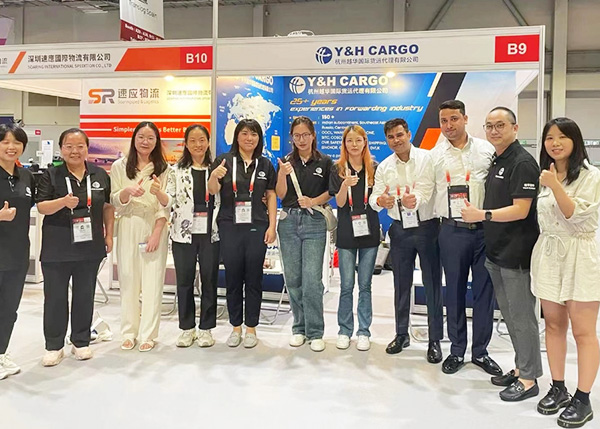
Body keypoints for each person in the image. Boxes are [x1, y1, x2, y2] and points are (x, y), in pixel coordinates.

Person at [462, 106, 542, 402]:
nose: (494, 131)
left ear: (514, 128)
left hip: (516, 254)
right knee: (509, 316)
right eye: (489, 126)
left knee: (522, 318)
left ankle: (529, 379)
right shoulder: (498, 159)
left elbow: (521, 210)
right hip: (497, 253)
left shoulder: (522, 162)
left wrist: (482, 214)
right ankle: (521, 368)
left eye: (500, 125)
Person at [531, 118, 600, 427]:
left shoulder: (591, 176)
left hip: (580, 256)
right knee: (554, 326)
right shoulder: (545, 175)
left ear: (576, 141)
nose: (555, 143)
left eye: (562, 137)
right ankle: (558, 387)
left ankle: (583, 398)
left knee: (583, 331)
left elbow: (574, 214)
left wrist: (555, 185)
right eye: (549, 138)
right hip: (550, 254)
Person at [430, 100, 502, 375]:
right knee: (455, 292)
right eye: (444, 120)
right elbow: (426, 191)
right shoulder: (434, 156)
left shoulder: (487, 150)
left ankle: (480, 352)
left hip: (485, 231)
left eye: (454, 119)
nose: (449, 125)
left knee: (484, 293)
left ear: (465, 119)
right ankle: (457, 350)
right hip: (451, 231)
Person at [36, 128, 114, 366]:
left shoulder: (99, 174)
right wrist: (62, 202)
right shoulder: (51, 175)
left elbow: (107, 207)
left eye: (80, 146)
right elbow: (42, 207)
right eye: (69, 146)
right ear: (61, 149)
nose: (75, 151)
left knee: (84, 295)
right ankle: (54, 346)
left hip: (89, 245)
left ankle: (80, 341)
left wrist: (109, 235)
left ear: (87, 149)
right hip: (57, 247)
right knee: (55, 298)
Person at [369, 118, 442, 362]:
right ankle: (401, 334)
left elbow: (427, 189)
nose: (396, 140)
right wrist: (380, 201)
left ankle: (434, 339)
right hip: (400, 229)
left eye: (399, 135)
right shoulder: (385, 166)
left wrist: (414, 200)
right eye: (391, 137)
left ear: (408, 134)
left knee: (432, 283)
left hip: (427, 227)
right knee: (401, 283)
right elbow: (375, 197)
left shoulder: (427, 158)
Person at [208, 119, 277, 349]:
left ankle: (251, 328)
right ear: (237, 136)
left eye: (254, 134)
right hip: (230, 225)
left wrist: (272, 225)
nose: (249, 138)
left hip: (257, 226)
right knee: (233, 278)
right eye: (245, 133)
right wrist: (214, 176)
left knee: (254, 278)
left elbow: (271, 195)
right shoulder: (224, 161)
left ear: (259, 138)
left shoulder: (265, 164)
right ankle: (236, 327)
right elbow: (212, 190)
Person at [110, 121, 170, 352]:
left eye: (150, 138)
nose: (145, 142)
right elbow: (113, 200)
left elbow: (166, 205)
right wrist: (126, 192)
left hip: (154, 225)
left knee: (153, 282)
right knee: (128, 279)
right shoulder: (120, 166)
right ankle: (129, 332)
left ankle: (148, 334)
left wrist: (157, 232)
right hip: (128, 223)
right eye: (141, 137)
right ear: (134, 139)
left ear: (157, 142)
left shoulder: (163, 168)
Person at [277, 116, 333, 352]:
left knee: (311, 279)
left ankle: (315, 331)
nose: (301, 140)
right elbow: (280, 194)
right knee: (293, 279)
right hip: (288, 221)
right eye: (297, 136)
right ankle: (299, 328)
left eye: (305, 135)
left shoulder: (325, 161)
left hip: (314, 221)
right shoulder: (286, 161)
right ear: (292, 137)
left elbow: (331, 191)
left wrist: (313, 200)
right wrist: (282, 173)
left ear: (313, 135)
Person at [167, 124, 220, 348]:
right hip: (183, 234)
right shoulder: (175, 170)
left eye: (202, 140)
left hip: (211, 233)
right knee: (184, 281)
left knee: (209, 281)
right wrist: (159, 195)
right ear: (186, 144)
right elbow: (169, 200)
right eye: (192, 141)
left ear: (208, 142)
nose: (198, 145)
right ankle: (187, 328)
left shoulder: (217, 169)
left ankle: (206, 328)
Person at [329, 125, 379, 352]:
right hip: (347, 233)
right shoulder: (338, 169)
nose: (354, 144)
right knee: (347, 285)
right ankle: (344, 330)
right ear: (344, 144)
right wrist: (344, 186)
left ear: (365, 142)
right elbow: (339, 203)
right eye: (349, 140)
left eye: (358, 140)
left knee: (365, 285)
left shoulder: (374, 168)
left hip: (369, 232)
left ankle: (364, 331)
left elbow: (378, 200)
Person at [0, 124, 35, 379]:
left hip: (17, 253)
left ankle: (1, 353)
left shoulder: (26, 176)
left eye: (16, 142)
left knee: (9, 308)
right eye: (5, 142)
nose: (11, 147)